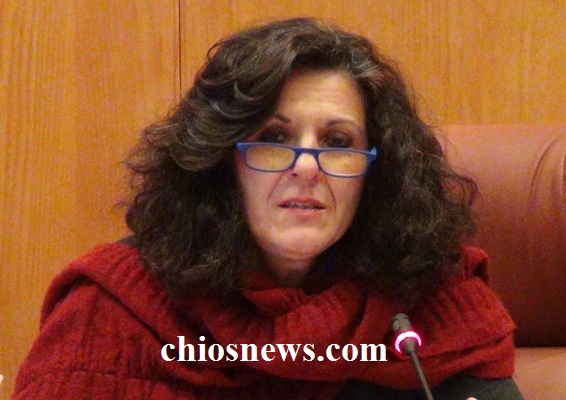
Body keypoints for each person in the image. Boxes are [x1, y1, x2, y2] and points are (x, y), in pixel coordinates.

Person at [12, 18, 523, 399]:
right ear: (220, 161)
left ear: (376, 171)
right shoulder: (113, 312)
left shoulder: (429, 304)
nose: (307, 167)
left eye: (338, 142)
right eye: (274, 138)